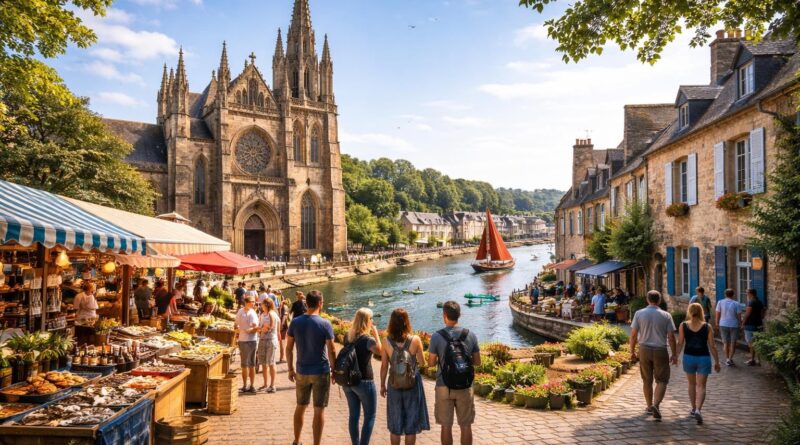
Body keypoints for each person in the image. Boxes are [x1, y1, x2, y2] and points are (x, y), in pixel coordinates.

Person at [286, 290, 336, 445]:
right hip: (320, 371)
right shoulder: (325, 323)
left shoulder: (295, 322)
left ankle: (297, 441)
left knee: (300, 406)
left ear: (306, 303)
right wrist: (334, 370)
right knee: (319, 409)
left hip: (301, 370)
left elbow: (288, 348)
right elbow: (332, 349)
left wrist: (290, 369)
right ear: (320, 303)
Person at [428, 301, 480, 445]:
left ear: (444, 315)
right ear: (459, 315)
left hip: (444, 386)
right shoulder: (470, 335)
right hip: (465, 385)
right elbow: (477, 361)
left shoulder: (437, 337)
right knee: (466, 425)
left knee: (446, 426)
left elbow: (431, 363)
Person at [380, 308, 430, 445]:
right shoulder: (415, 340)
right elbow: (422, 363)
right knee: (411, 426)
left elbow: (384, 366)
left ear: (391, 323)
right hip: (412, 385)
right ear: (407, 322)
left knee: (395, 426)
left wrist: (382, 385)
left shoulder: (386, 342)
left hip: (394, 385)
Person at [629, 290, 677, 421]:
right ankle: (656, 404)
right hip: (660, 349)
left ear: (647, 299)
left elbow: (633, 335)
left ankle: (649, 406)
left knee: (647, 379)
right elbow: (671, 337)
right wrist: (674, 354)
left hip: (644, 349)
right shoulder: (666, 315)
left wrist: (632, 351)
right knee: (662, 380)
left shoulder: (639, 313)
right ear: (660, 300)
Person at [677, 303, 721, 425]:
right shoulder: (707, 327)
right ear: (701, 312)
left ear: (689, 312)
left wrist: (675, 355)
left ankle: (693, 408)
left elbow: (680, 343)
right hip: (704, 358)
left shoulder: (683, 325)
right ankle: (698, 410)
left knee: (691, 383)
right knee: (701, 386)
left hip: (689, 357)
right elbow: (712, 346)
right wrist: (717, 362)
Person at [343, 308, 382, 445]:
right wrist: (376, 333)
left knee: (353, 416)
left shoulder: (348, 336)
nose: (372, 321)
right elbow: (381, 352)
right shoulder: (368, 340)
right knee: (370, 416)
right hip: (364, 381)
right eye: (371, 319)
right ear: (367, 321)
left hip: (348, 382)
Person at [236, 295, 259, 394]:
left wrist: (252, 329)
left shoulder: (253, 313)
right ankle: (245, 385)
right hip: (242, 340)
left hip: (251, 341)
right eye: (252, 302)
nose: (253, 303)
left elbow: (256, 328)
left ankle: (252, 385)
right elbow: (236, 324)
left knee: (251, 364)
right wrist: (237, 328)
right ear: (246, 302)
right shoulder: (240, 311)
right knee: (244, 365)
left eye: (254, 302)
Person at [258, 298, 280, 392]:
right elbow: (262, 327)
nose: (261, 306)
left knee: (271, 362)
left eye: (262, 304)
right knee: (263, 363)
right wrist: (260, 329)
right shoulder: (262, 314)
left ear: (267, 305)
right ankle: (265, 384)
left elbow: (269, 327)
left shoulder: (272, 314)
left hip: (270, 340)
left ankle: (272, 385)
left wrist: (258, 329)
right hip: (263, 339)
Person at [716, 288, 743, 366]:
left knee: (725, 343)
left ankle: (727, 358)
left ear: (725, 294)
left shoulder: (720, 302)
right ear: (733, 295)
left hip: (723, 324)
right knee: (733, 342)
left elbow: (718, 313)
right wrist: (740, 323)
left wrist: (717, 322)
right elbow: (739, 315)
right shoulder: (736, 303)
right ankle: (730, 359)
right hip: (734, 324)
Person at [742, 289, 764, 366]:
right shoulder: (759, 302)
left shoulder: (751, 302)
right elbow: (762, 314)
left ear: (751, 294)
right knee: (758, 342)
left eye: (747, 293)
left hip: (750, 325)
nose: (746, 294)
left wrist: (743, 323)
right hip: (758, 324)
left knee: (751, 343)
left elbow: (747, 314)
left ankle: (752, 360)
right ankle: (759, 360)